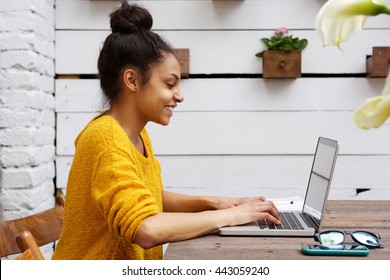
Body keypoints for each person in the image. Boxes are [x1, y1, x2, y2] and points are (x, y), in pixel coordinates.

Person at [52, 1, 280, 260]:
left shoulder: (134, 135)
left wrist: (216, 203)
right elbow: (146, 228)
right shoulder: (106, 140)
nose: (179, 96)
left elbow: (149, 196)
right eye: (170, 84)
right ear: (132, 80)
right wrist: (231, 216)